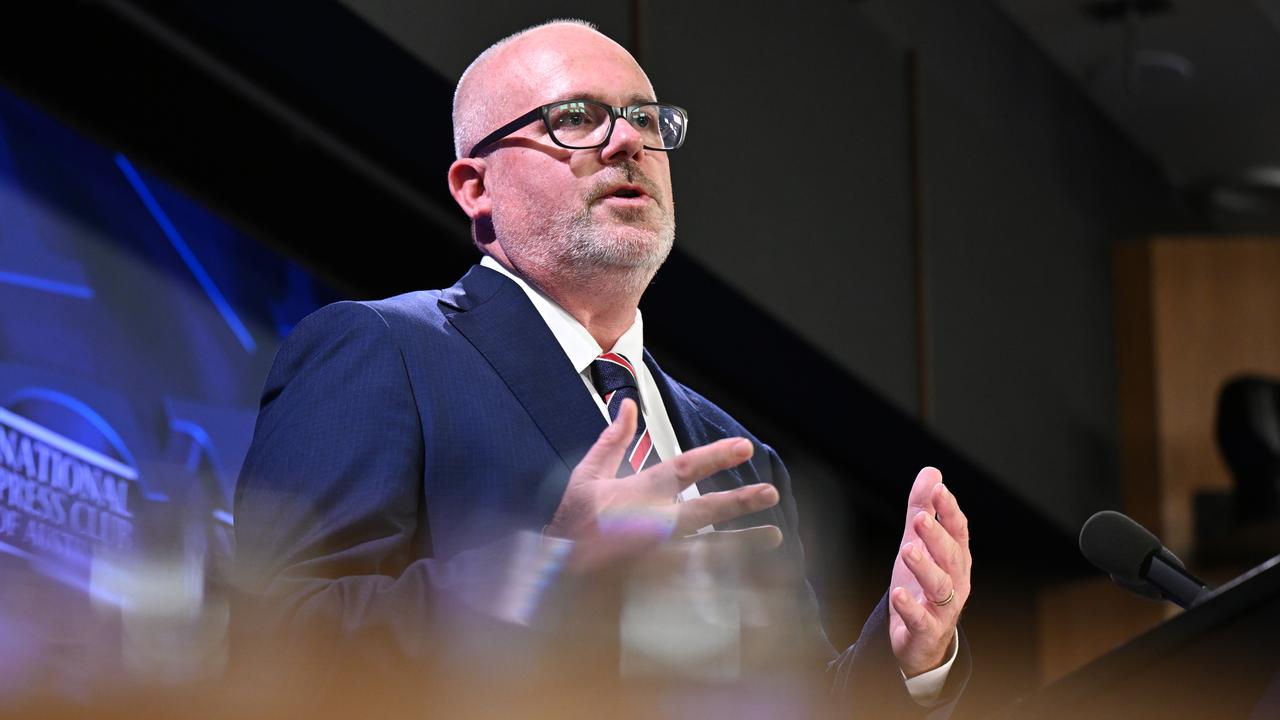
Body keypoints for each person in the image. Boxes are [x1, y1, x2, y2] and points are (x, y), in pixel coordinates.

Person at [233, 18, 971, 717]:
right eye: (577, 118)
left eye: (647, 120)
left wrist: (910, 656)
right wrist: (554, 565)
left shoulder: (742, 459)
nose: (628, 143)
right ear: (475, 187)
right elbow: (276, 644)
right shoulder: (381, 348)